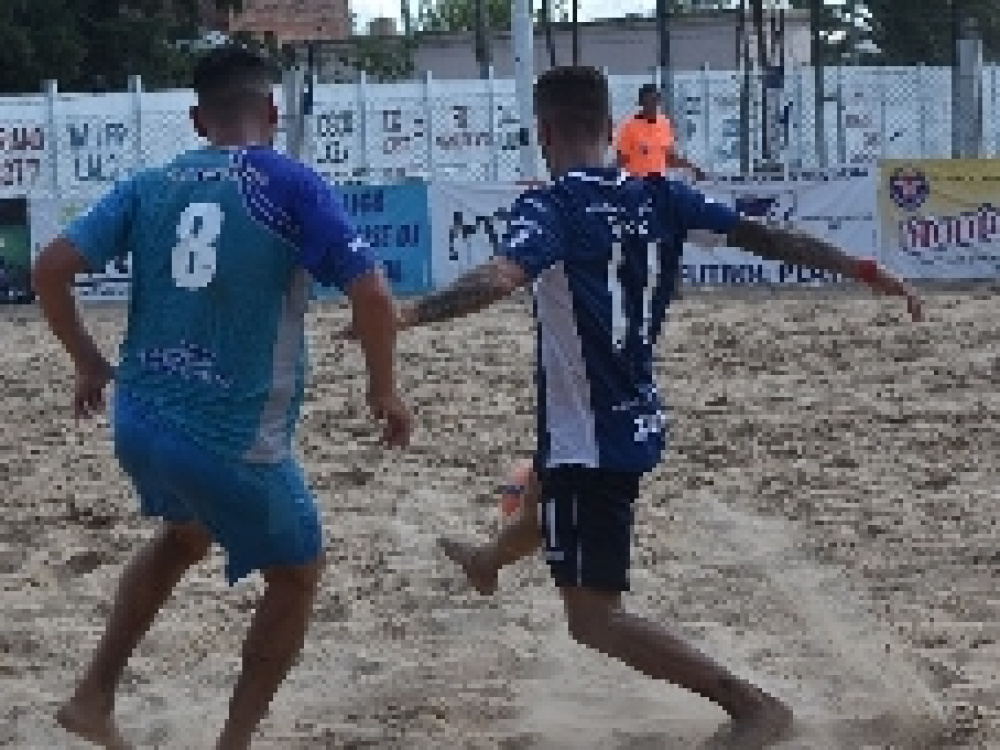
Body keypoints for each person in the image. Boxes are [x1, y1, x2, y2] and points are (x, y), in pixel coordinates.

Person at [365, 66, 922, 748]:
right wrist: (862, 269)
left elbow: (500, 278)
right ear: (611, 130)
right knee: (540, 500)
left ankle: (752, 706)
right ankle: (487, 562)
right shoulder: (661, 194)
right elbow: (772, 238)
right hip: (628, 411)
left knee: (593, 619)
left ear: (544, 133)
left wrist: (406, 315)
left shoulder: (552, 205)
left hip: (590, 436)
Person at [31, 46, 412, 750]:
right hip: (229, 439)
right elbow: (373, 295)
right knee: (298, 575)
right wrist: (384, 389)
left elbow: (50, 269)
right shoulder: (290, 182)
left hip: (139, 420)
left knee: (184, 536)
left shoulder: (150, 184)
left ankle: (92, 697)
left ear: (197, 120)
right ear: (272, 112)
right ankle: (233, 743)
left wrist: (87, 362)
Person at [615, 82, 706, 181]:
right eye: (647, 102)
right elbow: (620, 160)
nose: (651, 106)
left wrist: (692, 168)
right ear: (640, 103)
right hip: (637, 180)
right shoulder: (628, 127)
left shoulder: (664, 124)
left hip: (659, 180)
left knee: (682, 189)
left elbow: (669, 158)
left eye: (654, 101)